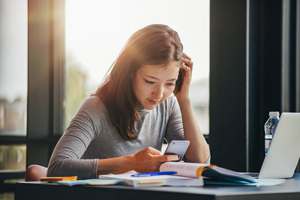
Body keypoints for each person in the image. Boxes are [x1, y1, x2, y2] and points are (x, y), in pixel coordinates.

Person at [47, 24, 210, 180]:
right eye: (150, 81)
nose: (159, 94)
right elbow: (56, 168)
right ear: (130, 72)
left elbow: (201, 163)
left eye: (170, 83)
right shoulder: (96, 107)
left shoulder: (168, 105)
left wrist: (184, 100)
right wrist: (132, 163)